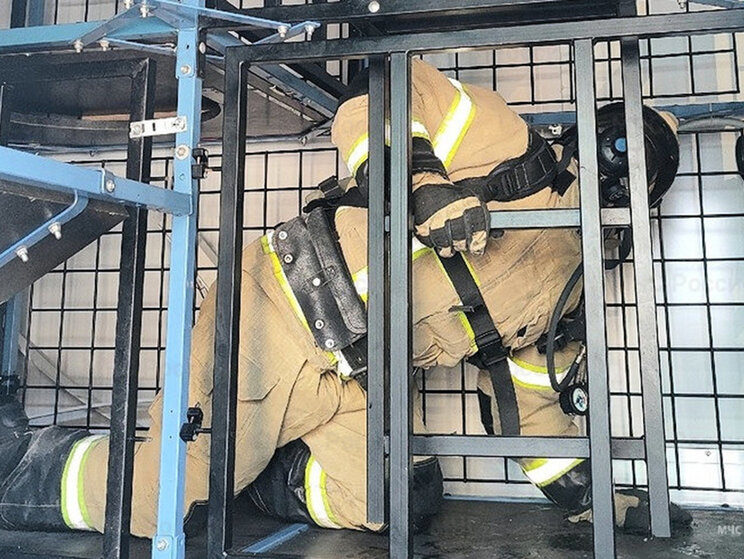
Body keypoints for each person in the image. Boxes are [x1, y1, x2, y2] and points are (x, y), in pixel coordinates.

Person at [0, 59, 690, 537]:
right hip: (282, 309)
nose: (620, 168)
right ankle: (19, 468)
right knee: (166, 503)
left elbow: (529, 399)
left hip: (361, 377)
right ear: (590, 132)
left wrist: (592, 500)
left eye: (641, 167)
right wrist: (421, 181)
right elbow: (377, 89)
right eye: (621, 145)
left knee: (400, 499)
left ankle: (252, 463)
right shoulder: (504, 137)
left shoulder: (569, 287)